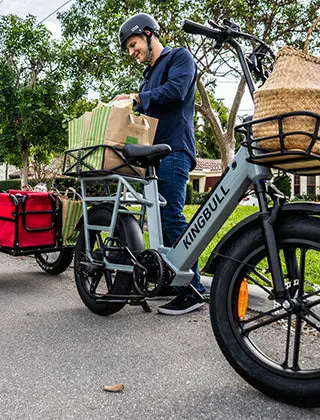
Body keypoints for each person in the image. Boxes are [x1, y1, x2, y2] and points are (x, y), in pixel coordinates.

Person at [114, 13, 206, 315]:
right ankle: (172, 280)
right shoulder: (147, 76)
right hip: (152, 154)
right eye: (129, 48)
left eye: (134, 43)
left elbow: (175, 93)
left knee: (171, 216)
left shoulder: (179, 58)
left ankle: (193, 289)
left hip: (175, 148)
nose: (132, 52)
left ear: (150, 34)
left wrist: (137, 97)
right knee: (158, 222)